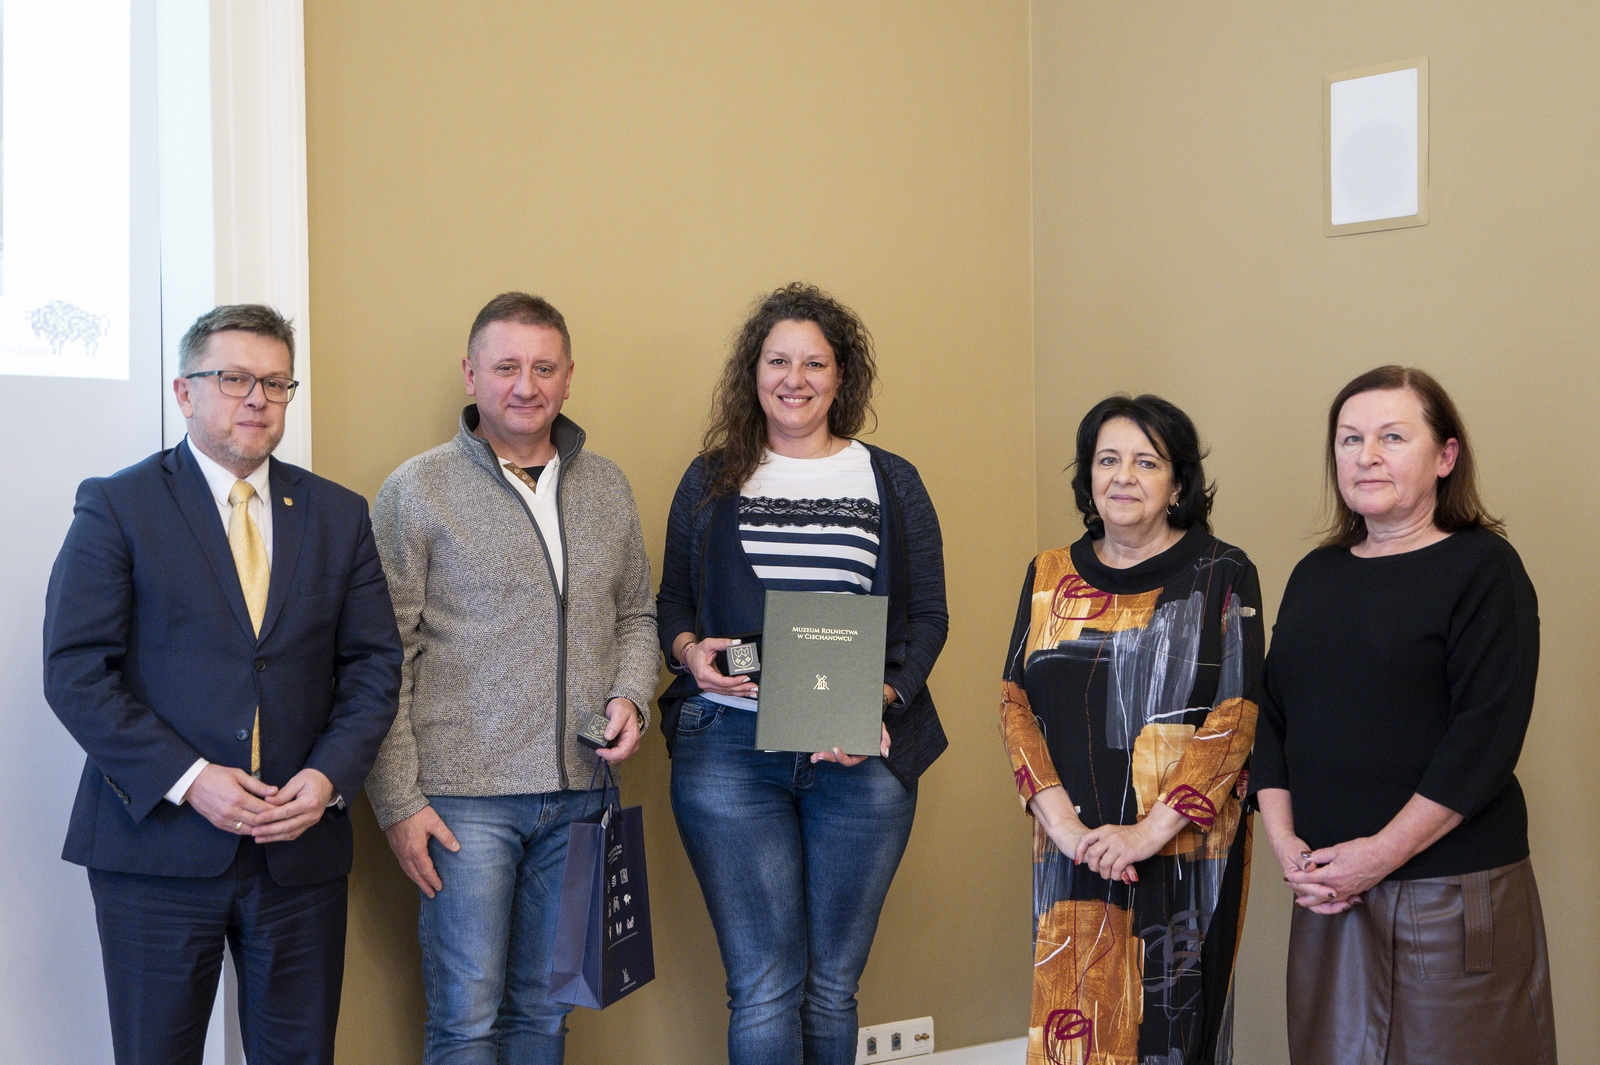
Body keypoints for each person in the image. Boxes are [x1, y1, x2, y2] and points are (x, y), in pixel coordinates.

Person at [42, 304, 403, 1065]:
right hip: (156, 852)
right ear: (184, 392)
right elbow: (75, 672)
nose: (257, 398)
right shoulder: (119, 505)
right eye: (234, 378)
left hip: (299, 852)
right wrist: (190, 778)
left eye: (276, 382)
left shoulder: (338, 514)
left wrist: (328, 778)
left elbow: (374, 666)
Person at [656, 282, 948, 1065]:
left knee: (831, 987)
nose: (796, 378)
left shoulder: (891, 481)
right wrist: (689, 652)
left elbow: (929, 617)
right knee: (762, 985)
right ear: (752, 373)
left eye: (815, 362)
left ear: (841, 375)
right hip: (728, 750)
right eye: (778, 360)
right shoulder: (710, 479)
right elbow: (672, 604)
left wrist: (875, 698)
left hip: (860, 753)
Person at [366, 292, 659, 1065]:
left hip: (581, 795)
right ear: (471, 375)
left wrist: (631, 696)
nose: (525, 385)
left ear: (568, 377)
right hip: (464, 804)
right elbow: (381, 656)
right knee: (466, 1020)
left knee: (545, 1015)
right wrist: (397, 800)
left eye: (543, 367)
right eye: (505, 367)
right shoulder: (417, 490)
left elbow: (637, 614)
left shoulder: (607, 487)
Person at [1251, 366, 1555, 1064]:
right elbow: (1272, 716)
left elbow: (1483, 740)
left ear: (1445, 456)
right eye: (1350, 439)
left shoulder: (1485, 569)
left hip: (1449, 894)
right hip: (1330, 894)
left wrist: (1380, 855)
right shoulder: (1315, 574)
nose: (1367, 456)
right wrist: (1287, 844)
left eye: (1392, 437)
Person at [999, 394, 1261, 1065]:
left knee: (1172, 1034)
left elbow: (1235, 718)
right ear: (1088, 476)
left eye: (1147, 462)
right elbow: (1015, 704)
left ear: (1178, 483)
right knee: (1076, 1028)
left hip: (1186, 854)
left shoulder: (1224, 572)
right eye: (1107, 459)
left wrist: (1146, 834)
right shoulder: (1048, 574)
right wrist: (1065, 828)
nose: (1123, 476)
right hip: (1073, 850)